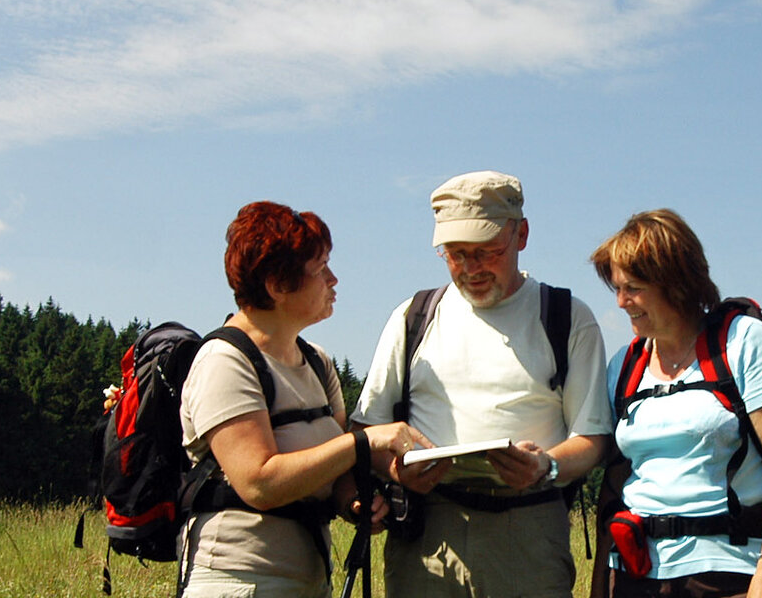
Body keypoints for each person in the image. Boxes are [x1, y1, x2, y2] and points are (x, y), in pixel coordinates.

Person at [350, 171, 614, 598]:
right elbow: (367, 432)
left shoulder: (567, 317)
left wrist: (545, 466)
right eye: (455, 254)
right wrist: (396, 470)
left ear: (521, 234)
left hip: (528, 529)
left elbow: (593, 437)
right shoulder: (413, 316)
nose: (471, 269)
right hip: (427, 531)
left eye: (487, 252)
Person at [180, 201, 434, 598]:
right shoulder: (224, 361)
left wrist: (353, 500)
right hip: (239, 582)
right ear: (277, 286)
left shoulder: (317, 362)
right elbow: (259, 482)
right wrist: (364, 442)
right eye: (320, 270)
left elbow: (331, 469)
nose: (334, 279)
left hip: (308, 580)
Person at [590, 209, 762, 598]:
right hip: (636, 572)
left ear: (676, 283)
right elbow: (615, 480)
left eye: (633, 287)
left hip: (732, 571)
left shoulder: (742, 342)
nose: (621, 301)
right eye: (617, 289)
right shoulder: (624, 365)